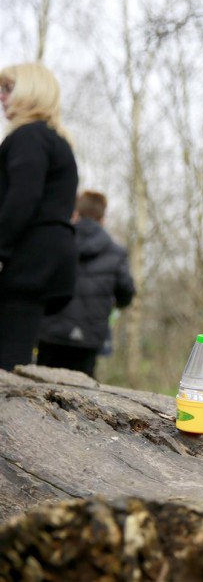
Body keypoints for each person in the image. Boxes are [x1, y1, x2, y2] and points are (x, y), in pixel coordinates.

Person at [0, 62, 79, 370]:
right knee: (14, 354)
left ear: (32, 91)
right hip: (42, 262)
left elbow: (23, 198)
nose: (2, 96)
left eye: (9, 89)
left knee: (8, 360)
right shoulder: (53, 140)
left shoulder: (29, 137)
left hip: (27, 262)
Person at [36, 190, 136, 378]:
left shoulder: (56, 242)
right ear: (102, 219)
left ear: (76, 214)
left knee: (41, 383)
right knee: (82, 389)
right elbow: (126, 293)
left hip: (50, 332)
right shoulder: (117, 252)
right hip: (89, 336)